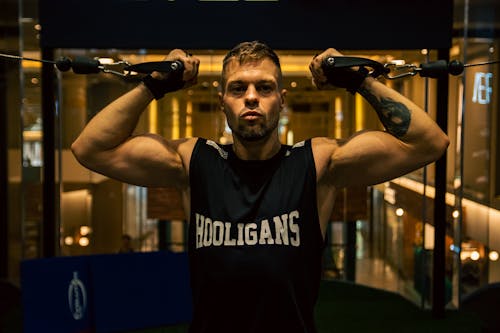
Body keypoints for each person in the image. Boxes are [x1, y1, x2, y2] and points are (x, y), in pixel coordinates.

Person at [71, 41, 449, 333]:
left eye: (264, 87)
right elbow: (90, 149)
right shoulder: (193, 162)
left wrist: (360, 80)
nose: (251, 96)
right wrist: (151, 88)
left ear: (281, 101)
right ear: (222, 102)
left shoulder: (317, 164)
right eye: (238, 88)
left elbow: (429, 143)